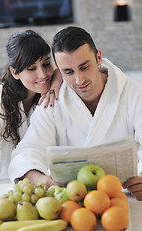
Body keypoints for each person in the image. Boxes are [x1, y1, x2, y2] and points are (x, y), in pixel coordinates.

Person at [8, 26, 142, 200]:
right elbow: (28, 150)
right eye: (68, 72)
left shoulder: (134, 94)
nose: (79, 80)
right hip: (72, 202)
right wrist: (39, 178)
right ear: (59, 70)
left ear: (99, 58)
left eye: (84, 67)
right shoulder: (52, 102)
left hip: (124, 198)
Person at [0, 29, 62, 181]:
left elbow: (73, 67)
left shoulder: (53, 94)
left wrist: (57, 80)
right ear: (15, 72)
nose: (43, 74)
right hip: (3, 188)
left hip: (44, 184)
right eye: (31, 68)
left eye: (46, 64)